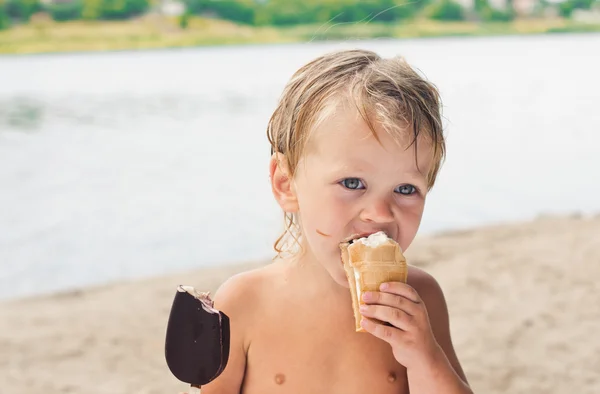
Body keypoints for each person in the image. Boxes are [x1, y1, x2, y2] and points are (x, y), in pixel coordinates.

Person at [199, 49, 472, 394]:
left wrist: (425, 356)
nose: (380, 214)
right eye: (352, 183)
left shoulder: (420, 299)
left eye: (405, 188)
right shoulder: (244, 302)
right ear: (286, 184)